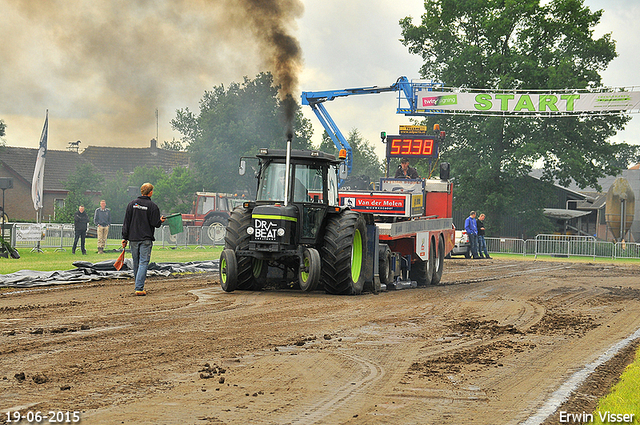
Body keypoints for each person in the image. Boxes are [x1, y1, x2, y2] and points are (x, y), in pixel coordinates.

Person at [121, 183, 166, 296]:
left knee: (136, 263)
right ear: (150, 192)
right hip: (146, 239)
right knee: (143, 263)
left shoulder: (131, 204)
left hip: (133, 239)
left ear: (141, 191)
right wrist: (160, 221)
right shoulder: (153, 206)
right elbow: (155, 224)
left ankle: (138, 285)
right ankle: (139, 287)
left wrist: (124, 238)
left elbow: (127, 222)